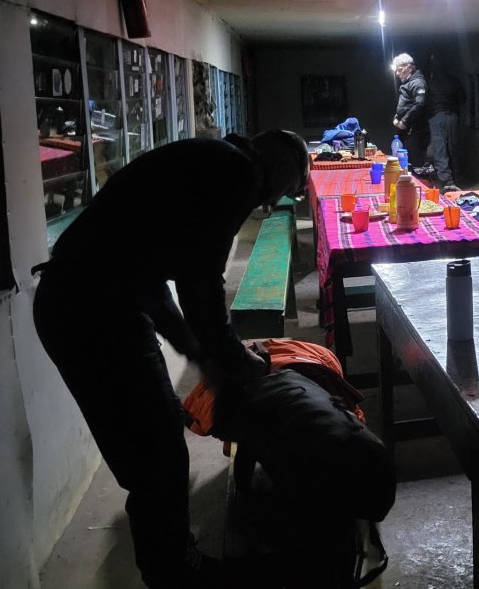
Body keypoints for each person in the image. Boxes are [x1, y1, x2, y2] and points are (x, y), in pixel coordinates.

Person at [32, 130, 310, 588]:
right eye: (289, 189)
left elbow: (153, 270)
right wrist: (235, 359)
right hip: (90, 312)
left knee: (156, 443)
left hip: (90, 302)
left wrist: (200, 352)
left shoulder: (216, 160)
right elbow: (201, 284)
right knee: (156, 453)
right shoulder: (238, 173)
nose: (276, 200)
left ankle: (172, 565)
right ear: (280, 168)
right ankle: (176, 573)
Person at [426, 54, 466, 192]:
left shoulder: (430, 83)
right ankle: (458, 180)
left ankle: (447, 183)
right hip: (453, 117)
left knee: (440, 151)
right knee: (454, 150)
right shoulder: (454, 81)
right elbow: (463, 99)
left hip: (437, 118)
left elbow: (425, 103)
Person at [390, 53, 431, 172]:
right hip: (407, 130)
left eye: (400, 70)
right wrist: (398, 117)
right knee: (406, 161)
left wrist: (404, 121)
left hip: (415, 129)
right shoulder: (409, 83)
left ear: (409, 67)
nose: (397, 74)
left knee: (416, 162)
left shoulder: (417, 83)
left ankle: (419, 180)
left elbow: (420, 104)